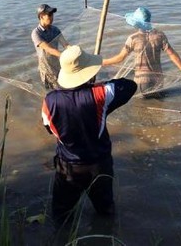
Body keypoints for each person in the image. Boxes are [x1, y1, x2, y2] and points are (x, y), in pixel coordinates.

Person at [42, 45, 137, 224]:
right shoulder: (101, 93)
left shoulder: (50, 100)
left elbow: (49, 128)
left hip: (67, 167)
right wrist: (97, 84)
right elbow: (130, 86)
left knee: (61, 216)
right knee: (105, 210)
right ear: (88, 72)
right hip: (99, 165)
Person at [103, 7, 181, 97]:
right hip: (158, 78)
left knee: (142, 107)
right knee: (158, 101)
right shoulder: (159, 35)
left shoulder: (133, 38)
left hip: (142, 80)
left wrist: (102, 62)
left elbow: (120, 58)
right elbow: (172, 54)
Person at [31, 4, 69, 90]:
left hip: (57, 65)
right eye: (49, 15)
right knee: (53, 93)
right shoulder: (36, 33)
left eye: (52, 15)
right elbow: (48, 49)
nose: (52, 17)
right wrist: (64, 55)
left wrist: (73, 51)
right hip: (46, 68)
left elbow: (65, 44)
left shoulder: (55, 30)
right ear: (41, 16)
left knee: (63, 89)